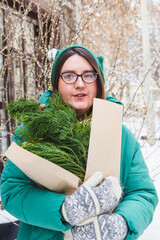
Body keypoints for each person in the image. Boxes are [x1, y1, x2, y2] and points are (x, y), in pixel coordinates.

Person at [1, 46, 158, 240]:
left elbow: (142, 193)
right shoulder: (33, 132)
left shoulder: (121, 136)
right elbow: (13, 190)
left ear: (98, 83)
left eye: (88, 75)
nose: (80, 84)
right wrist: (65, 209)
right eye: (69, 76)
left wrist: (121, 223)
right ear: (56, 83)